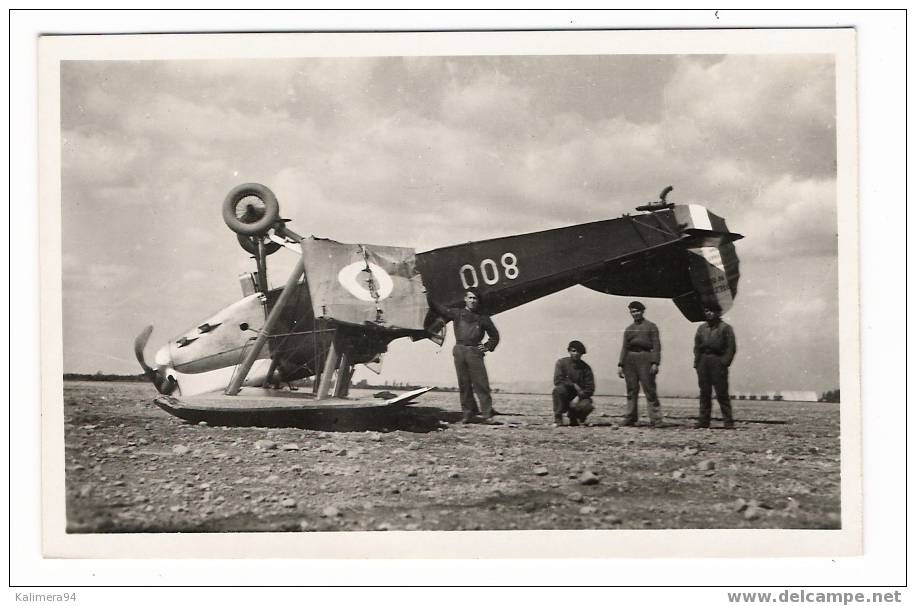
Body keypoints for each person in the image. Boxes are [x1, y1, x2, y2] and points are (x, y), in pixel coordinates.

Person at [428, 289, 500, 424]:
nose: (472, 301)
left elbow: (495, 336)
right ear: (465, 299)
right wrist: (426, 295)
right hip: (459, 350)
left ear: (478, 301)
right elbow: (440, 309)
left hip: (474, 351)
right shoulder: (457, 313)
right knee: (464, 384)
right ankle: (468, 414)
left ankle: (487, 415)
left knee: (481, 384)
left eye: (475, 299)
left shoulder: (483, 317)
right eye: (470, 298)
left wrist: (486, 346)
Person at [617, 301, 663, 427]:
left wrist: (655, 363)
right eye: (632, 311)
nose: (635, 313)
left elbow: (657, 346)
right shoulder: (628, 329)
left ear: (642, 311)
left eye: (637, 311)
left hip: (645, 358)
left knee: (649, 389)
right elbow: (624, 347)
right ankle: (630, 417)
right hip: (630, 360)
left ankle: (656, 419)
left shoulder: (651, 326)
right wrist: (621, 364)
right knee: (631, 389)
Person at [693, 304, 737, 429]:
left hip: (718, 361)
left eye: (712, 311)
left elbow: (731, 348)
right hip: (703, 362)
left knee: (722, 393)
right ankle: (703, 421)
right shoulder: (701, 328)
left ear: (718, 313)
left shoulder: (726, 328)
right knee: (704, 393)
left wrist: (724, 363)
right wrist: (697, 363)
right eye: (707, 310)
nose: (709, 313)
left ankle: (728, 422)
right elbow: (696, 346)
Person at [552, 340, 596, 427]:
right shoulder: (561, 363)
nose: (576, 353)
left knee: (587, 405)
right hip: (565, 396)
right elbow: (558, 380)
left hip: (579, 398)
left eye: (579, 352)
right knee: (558, 390)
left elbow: (590, 388)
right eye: (573, 351)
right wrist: (574, 385)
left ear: (582, 354)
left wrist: (578, 397)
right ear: (569, 351)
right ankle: (558, 417)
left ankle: (575, 418)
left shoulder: (586, 368)